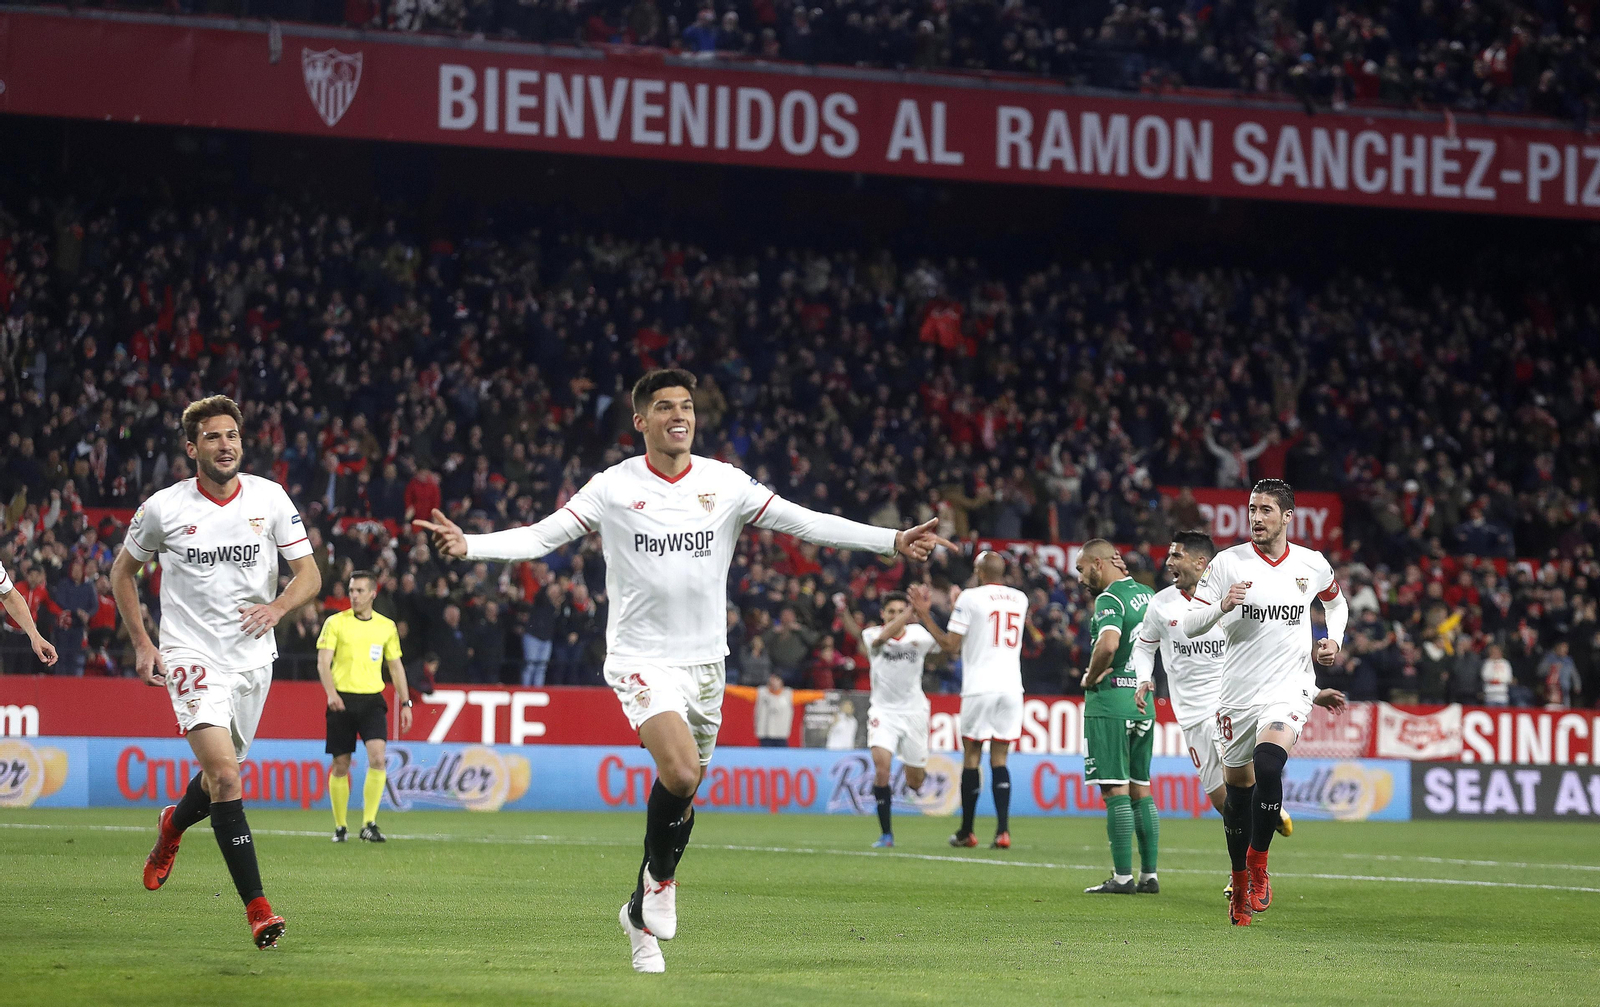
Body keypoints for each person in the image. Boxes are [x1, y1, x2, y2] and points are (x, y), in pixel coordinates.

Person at [415, 368, 941, 974]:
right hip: (640, 659)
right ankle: (662, 883)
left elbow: (807, 522)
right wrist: (471, 545)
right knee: (681, 769)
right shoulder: (613, 487)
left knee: (685, 793)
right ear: (641, 421)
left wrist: (893, 540)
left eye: (686, 405)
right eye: (664, 407)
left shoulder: (725, 482)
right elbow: (540, 538)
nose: (678, 415)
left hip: (707, 665)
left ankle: (638, 916)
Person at [111, 395, 322, 949]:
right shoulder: (164, 508)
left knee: (217, 779)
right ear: (191, 447)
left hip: (254, 658)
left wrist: (278, 608)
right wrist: (142, 642)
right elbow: (122, 573)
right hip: (190, 654)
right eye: (213, 437)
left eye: (232, 435)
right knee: (228, 778)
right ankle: (259, 910)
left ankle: (171, 827)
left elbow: (310, 575)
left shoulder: (270, 498)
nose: (225, 445)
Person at [1181, 479, 1347, 926]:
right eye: (1252, 509)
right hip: (1237, 694)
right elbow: (1191, 624)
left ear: (1287, 516)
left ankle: (1258, 866)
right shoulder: (1227, 564)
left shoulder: (1310, 565)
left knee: (1269, 766)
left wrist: (1333, 639)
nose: (1256, 517)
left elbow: (1337, 603)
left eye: (1266, 510)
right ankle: (1238, 882)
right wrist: (1220, 607)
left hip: (1288, 687)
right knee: (1237, 797)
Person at [1130, 531, 1288, 899]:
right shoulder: (1161, 604)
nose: (1169, 562)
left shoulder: (1236, 594)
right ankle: (1267, 813)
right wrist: (1143, 679)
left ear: (1201, 563)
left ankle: (1247, 874)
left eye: (1177, 556)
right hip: (1193, 716)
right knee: (1222, 801)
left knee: (1242, 787)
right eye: (1169, 555)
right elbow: (1143, 648)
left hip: (1232, 704)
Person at [911, 550, 1029, 850]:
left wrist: (925, 614)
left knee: (972, 758)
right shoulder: (1020, 598)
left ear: (978, 571)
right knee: (1000, 759)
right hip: (1012, 688)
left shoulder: (969, 598)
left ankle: (967, 831)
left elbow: (952, 646)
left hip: (980, 688)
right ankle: (1003, 832)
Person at [1073, 539, 1158, 894]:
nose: (1079, 579)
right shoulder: (1148, 594)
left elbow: (1108, 644)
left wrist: (1091, 678)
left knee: (1114, 789)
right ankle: (1149, 875)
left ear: (1098, 563)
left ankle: (1123, 877)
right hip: (1143, 701)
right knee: (1141, 789)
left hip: (1110, 704)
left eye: (1081, 569)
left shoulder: (1109, 599)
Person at [316, 569, 413, 844]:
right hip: (341, 700)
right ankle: (340, 826)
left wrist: (406, 702)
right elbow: (323, 662)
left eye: (359, 591)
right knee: (340, 764)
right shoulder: (335, 623)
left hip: (372, 700)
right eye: (351, 591)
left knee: (378, 758)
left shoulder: (386, 627)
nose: (354, 596)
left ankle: (369, 823)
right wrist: (331, 693)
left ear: (373, 593)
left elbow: (395, 667)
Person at [836, 590, 938, 848]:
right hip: (883, 712)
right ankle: (886, 834)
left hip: (914, 713)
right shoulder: (872, 634)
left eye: (899, 610)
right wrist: (908, 613)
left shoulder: (920, 636)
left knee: (915, 783)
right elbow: (882, 638)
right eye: (890, 611)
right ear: (883, 614)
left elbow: (946, 650)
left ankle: (916, 769)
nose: (894, 616)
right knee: (882, 769)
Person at [0, 559, 59, 670]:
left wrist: (35, 636)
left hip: (25, 634)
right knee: (9, 665)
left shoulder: (42, 591)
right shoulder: (20, 586)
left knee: (25, 666)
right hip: (11, 632)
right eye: (32, 575)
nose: (34, 578)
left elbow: (8, 596)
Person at [754, 673, 795, 746]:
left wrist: (821, 694)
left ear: (781, 682)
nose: (774, 682)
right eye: (772, 680)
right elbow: (742, 692)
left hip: (781, 734)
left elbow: (807, 695)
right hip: (765, 733)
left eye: (776, 680)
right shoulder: (761, 693)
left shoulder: (789, 694)